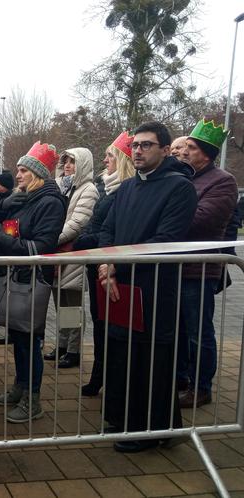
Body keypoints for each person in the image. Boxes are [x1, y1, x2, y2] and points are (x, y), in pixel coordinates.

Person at [98, 121, 197, 453]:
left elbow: (166, 240)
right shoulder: (126, 187)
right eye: (135, 145)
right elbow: (107, 231)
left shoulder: (179, 187)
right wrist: (106, 266)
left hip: (155, 286)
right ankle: (122, 417)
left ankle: (150, 429)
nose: (138, 151)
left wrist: (115, 264)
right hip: (119, 284)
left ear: (165, 150)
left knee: (149, 356)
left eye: (146, 145)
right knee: (121, 351)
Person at [0, 142, 65, 421]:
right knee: (20, 339)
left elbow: (43, 246)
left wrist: (4, 241)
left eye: (23, 170)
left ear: (37, 174)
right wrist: (2, 209)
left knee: (30, 341)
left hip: (33, 280)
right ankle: (20, 387)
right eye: (18, 170)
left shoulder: (50, 202)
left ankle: (33, 400)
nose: (17, 175)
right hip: (18, 278)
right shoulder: (23, 199)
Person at [176, 119, 237, 409]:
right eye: (184, 146)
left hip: (198, 270)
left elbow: (200, 220)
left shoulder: (222, 182)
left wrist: (166, 217)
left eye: (191, 147)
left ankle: (201, 387)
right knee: (177, 330)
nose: (184, 151)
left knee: (198, 332)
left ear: (207, 154)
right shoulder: (184, 177)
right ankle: (182, 378)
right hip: (174, 268)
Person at [73, 131, 135, 396]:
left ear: (121, 160)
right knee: (100, 323)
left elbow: (111, 231)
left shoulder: (124, 191)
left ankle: (107, 377)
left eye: (110, 155)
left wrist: (84, 242)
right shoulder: (108, 188)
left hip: (109, 267)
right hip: (96, 265)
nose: (105, 160)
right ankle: (99, 374)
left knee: (110, 325)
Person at [45, 148, 98, 368]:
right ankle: (62, 345)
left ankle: (74, 350)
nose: (67, 165)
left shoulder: (88, 189)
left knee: (72, 306)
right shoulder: (60, 188)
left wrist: (48, 238)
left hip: (71, 253)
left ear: (83, 165)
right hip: (58, 253)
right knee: (60, 304)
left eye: (73, 162)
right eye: (65, 161)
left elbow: (77, 223)